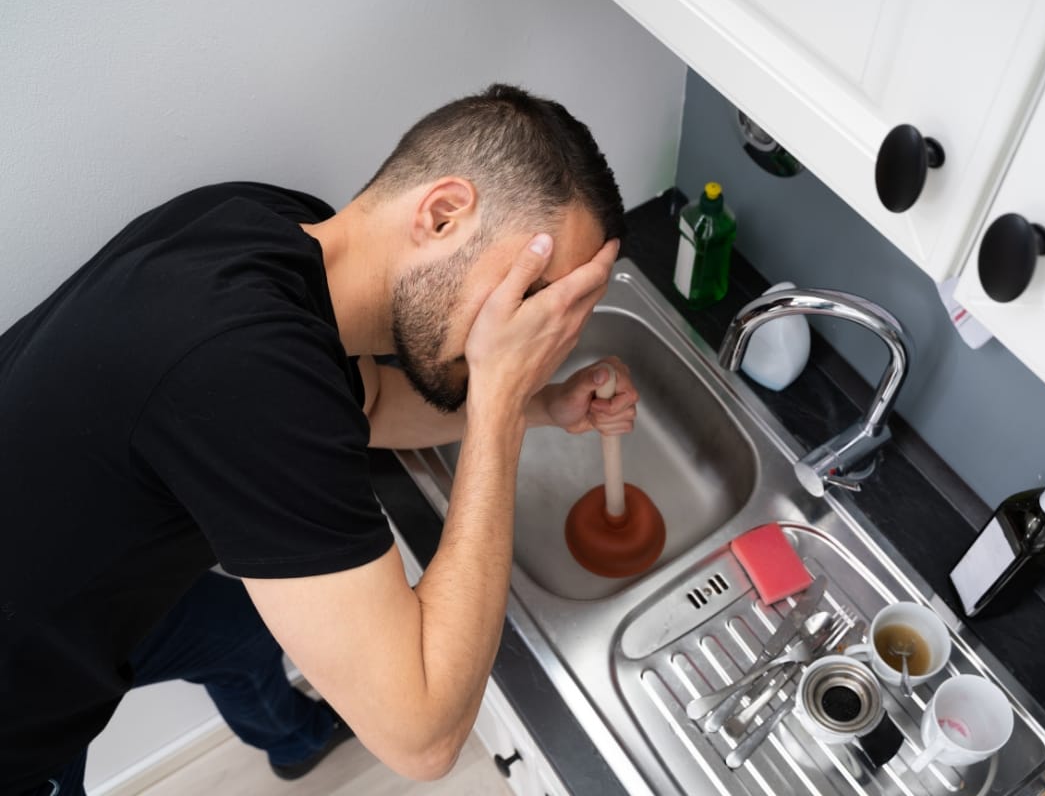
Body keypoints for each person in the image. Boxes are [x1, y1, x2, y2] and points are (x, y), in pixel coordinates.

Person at [0, 83, 637, 794]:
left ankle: (293, 737)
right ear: (443, 214)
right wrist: (499, 404)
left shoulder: (273, 225)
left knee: (238, 636)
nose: (533, 334)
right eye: (531, 293)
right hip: (17, 710)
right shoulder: (245, 372)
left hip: (63, 569)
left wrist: (543, 403)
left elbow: (369, 403)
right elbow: (422, 737)